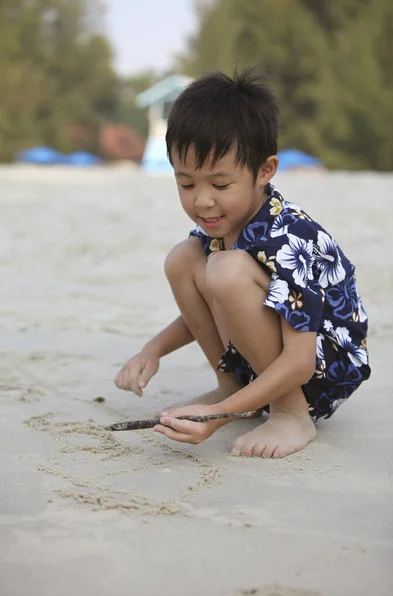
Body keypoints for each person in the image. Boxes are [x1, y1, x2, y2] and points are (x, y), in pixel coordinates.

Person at [114, 70, 371, 459]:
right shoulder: (222, 226)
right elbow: (216, 306)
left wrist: (218, 415)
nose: (202, 201)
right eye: (186, 184)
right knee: (184, 259)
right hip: (268, 364)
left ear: (265, 171)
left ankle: (290, 413)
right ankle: (232, 386)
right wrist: (152, 350)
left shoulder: (287, 239)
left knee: (226, 270)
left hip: (318, 372)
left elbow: (301, 360)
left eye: (219, 185)